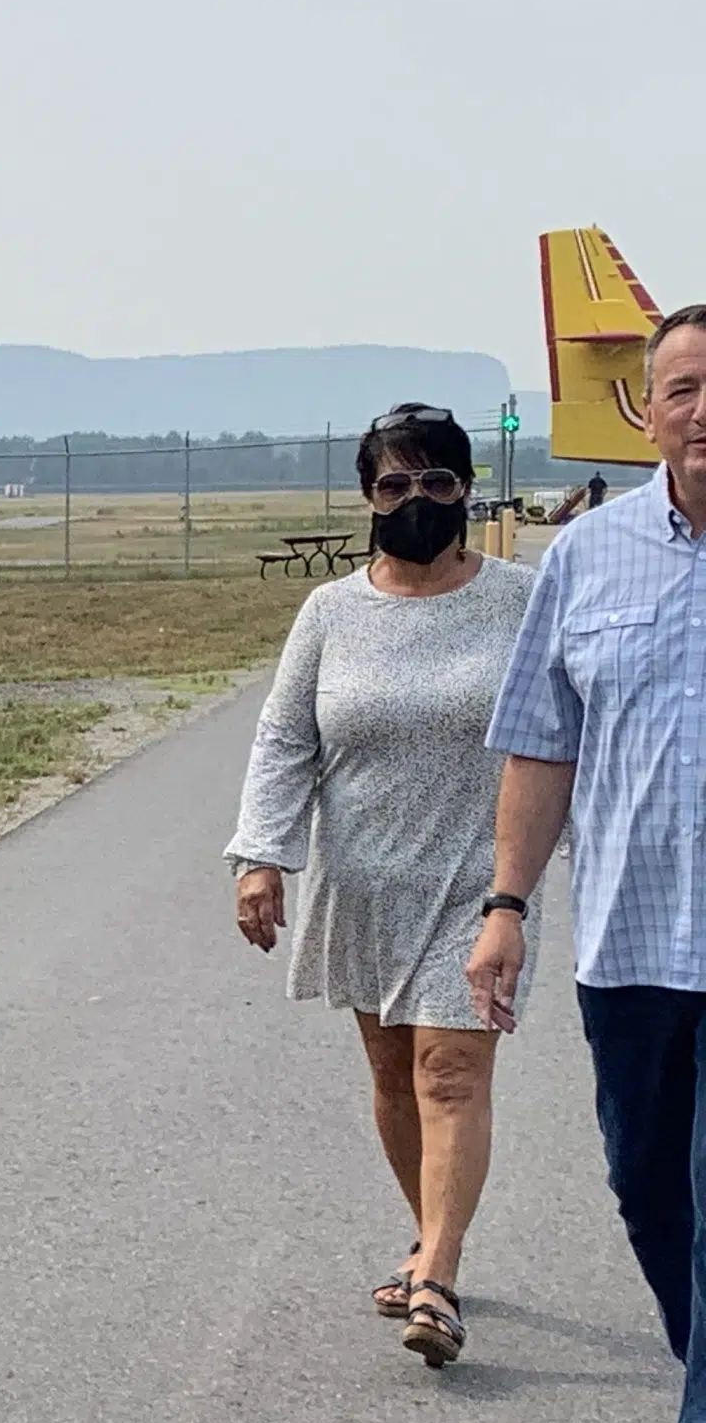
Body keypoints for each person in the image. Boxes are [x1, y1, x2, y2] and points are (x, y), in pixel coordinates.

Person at [470, 302, 706, 1423]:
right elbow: (540, 743)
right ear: (648, 411)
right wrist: (506, 907)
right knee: (647, 1188)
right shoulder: (588, 556)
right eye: (681, 389)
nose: (701, 410)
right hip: (629, 942)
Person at [228, 402, 538, 1369]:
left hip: (479, 882)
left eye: (438, 482)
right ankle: (430, 1235)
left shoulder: (522, 601)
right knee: (395, 1073)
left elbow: (564, 733)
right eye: (395, 484)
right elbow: (286, 740)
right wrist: (260, 855)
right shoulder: (330, 612)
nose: (417, 501)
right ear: (367, 497)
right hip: (364, 878)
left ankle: (438, 1274)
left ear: (467, 492)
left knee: (450, 1070)